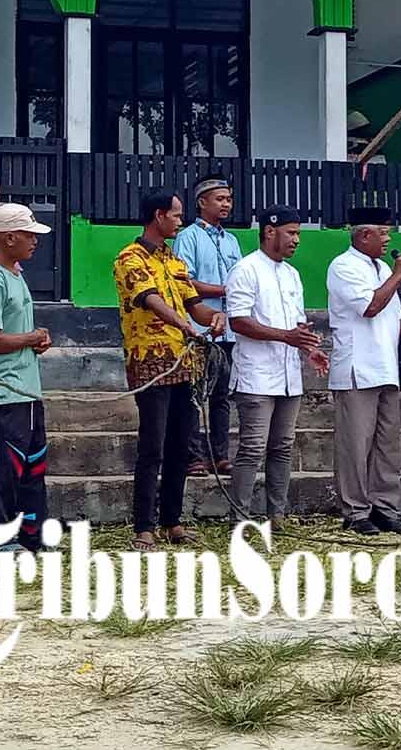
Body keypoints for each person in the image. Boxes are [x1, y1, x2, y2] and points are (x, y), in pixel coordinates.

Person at [115, 190, 228, 552]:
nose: (180, 221)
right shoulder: (129, 258)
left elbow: (195, 306)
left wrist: (216, 317)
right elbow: (152, 301)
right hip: (151, 363)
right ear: (158, 215)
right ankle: (143, 526)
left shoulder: (175, 262)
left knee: (182, 446)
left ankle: (172, 521)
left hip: (185, 363)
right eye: (176, 215)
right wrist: (187, 326)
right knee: (152, 446)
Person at [328, 207, 401, 536]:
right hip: (357, 368)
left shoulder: (380, 268)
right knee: (355, 444)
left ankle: (384, 506)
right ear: (365, 235)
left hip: (386, 367)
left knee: (387, 444)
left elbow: (392, 318)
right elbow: (369, 307)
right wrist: (398, 275)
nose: (389, 239)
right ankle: (355, 510)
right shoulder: (343, 266)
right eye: (384, 233)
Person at [223, 208, 326, 527]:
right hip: (256, 375)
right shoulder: (246, 269)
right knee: (253, 448)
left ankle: (276, 516)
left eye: (298, 234)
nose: (296, 240)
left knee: (282, 446)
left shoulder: (291, 274)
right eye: (291, 233)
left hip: (288, 376)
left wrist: (309, 347)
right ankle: (239, 518)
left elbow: (297, 325)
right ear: (270, 231)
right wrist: (287, 337)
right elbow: (238, 321)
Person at [0, 202, 54, 552]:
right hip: (2, 392)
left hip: (26, 388)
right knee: (4, 468)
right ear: (9, 238)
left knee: (33, 466)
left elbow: (13, 332)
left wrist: (35, 339)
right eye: (29, 235)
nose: (34, 241)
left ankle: (31, 533)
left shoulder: (16, 275)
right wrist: (30, 338)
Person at [174, 174, 242, 476]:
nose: (226, 204)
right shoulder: (188, 236)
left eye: (228, 199)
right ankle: (193, 457)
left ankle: (220, 454)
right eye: (220, 199)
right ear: (202, 202)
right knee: (193, 394)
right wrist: (223, 290)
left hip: (228, 330)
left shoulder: (232, 240)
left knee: (221, 395)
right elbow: (184, 282)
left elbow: (240, 280)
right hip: (198, 328)